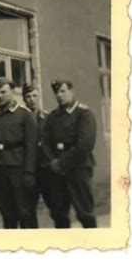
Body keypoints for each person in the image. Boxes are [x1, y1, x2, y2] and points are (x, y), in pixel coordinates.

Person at [0, 77, 38, 228]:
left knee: (25, 212)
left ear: (12, 92)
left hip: (18, 169)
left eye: (3, 92)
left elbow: (31, 146)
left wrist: (29, 172)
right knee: (7, 213)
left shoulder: (25, 115)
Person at [42, 80, 97, 228]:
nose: (59, 95)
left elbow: (85, 144)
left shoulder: (84, 113)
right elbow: (45, 142)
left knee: (85, 213)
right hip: (57, 173)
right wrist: (53, 161)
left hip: (79, 169)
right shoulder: (53, 116)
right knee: (59, 215)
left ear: (71, 91)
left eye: (63, 91)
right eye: (56, 92)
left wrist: (61, 163)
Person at [22, 83, 53, 223]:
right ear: (23, 99)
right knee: (28, 209)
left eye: (34, 95)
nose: (31, 99)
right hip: (30, 170)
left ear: (39, 96)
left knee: (55, 206)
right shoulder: (21, 119)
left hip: (46, 169)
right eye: (28, 96)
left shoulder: (48, 118)